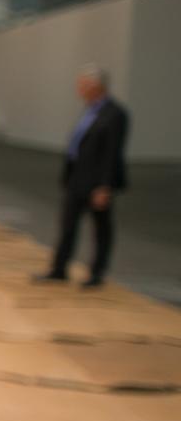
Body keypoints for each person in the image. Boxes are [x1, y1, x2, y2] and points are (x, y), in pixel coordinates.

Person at [34, 65, 129, 288]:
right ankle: (59, 269)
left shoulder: (115, 114)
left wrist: (104, 186)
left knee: (101, 228)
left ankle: (97, 272)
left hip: (97, 181)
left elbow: (111, 153)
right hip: (77, 177)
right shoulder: (89, 110)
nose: (79, 89)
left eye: (82, 85)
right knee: (67, 225)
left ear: (95, 86)